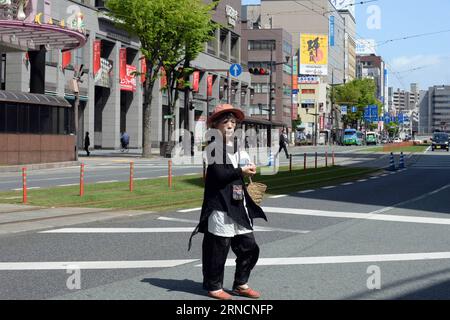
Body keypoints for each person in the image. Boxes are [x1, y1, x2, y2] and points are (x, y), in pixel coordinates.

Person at [188, 104, 268, 301]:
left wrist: (249, 167)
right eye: (226, 122)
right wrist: (240, 171)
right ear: (216, 125)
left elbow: (242, 166)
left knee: (249, 246)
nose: (230, 125)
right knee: (218, 247)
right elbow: (219, 174)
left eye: (233, 122)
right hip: (220, 204)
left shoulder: (237, 146)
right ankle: (214, 286)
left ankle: (241, 283)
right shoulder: (213, 146)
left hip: (238, 201)